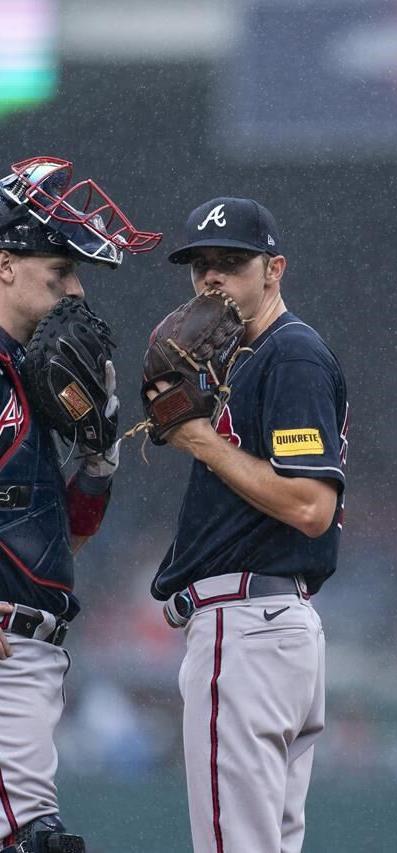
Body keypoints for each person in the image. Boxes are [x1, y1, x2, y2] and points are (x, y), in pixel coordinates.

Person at [150, 197, 350, 853]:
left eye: (233, 262)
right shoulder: (238, 360)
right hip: (271, 628)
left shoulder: (289, 354)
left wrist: (199, 440)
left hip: (245, 628)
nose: (213, 277)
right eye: (200, 264)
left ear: (274, 269)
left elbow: (309, 506)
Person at [0, 156, 160, 853]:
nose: (76, 290)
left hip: (33, 650)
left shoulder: (25, 373)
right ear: (5, 265)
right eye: (59, 272)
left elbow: (58, 536)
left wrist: (97, 460)